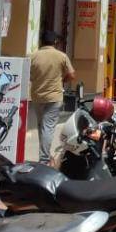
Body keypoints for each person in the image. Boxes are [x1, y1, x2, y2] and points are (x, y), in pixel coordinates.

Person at [29, 29, 75, 164]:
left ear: (41, 41)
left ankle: (45, 154)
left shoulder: (33, 56)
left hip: (37, 96)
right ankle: (44, 158)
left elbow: (27, 74)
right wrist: (62, 79)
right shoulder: (61, 56)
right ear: (55, 42)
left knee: (41, 126)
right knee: (47, 127)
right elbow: (72, 75)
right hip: (54, 97)